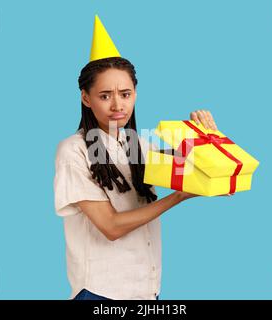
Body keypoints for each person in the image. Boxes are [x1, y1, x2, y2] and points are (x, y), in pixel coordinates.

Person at [53, 15, 218, 300]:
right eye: (105, 96)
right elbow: (111, 227)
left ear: (135, 94)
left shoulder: (138, 144)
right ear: (85, 98)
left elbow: (201, 168)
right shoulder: (74, 150)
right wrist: (178, 197)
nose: (118, 105)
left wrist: (206, 137)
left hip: (146, 291)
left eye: (125, 94)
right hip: (100, 293)